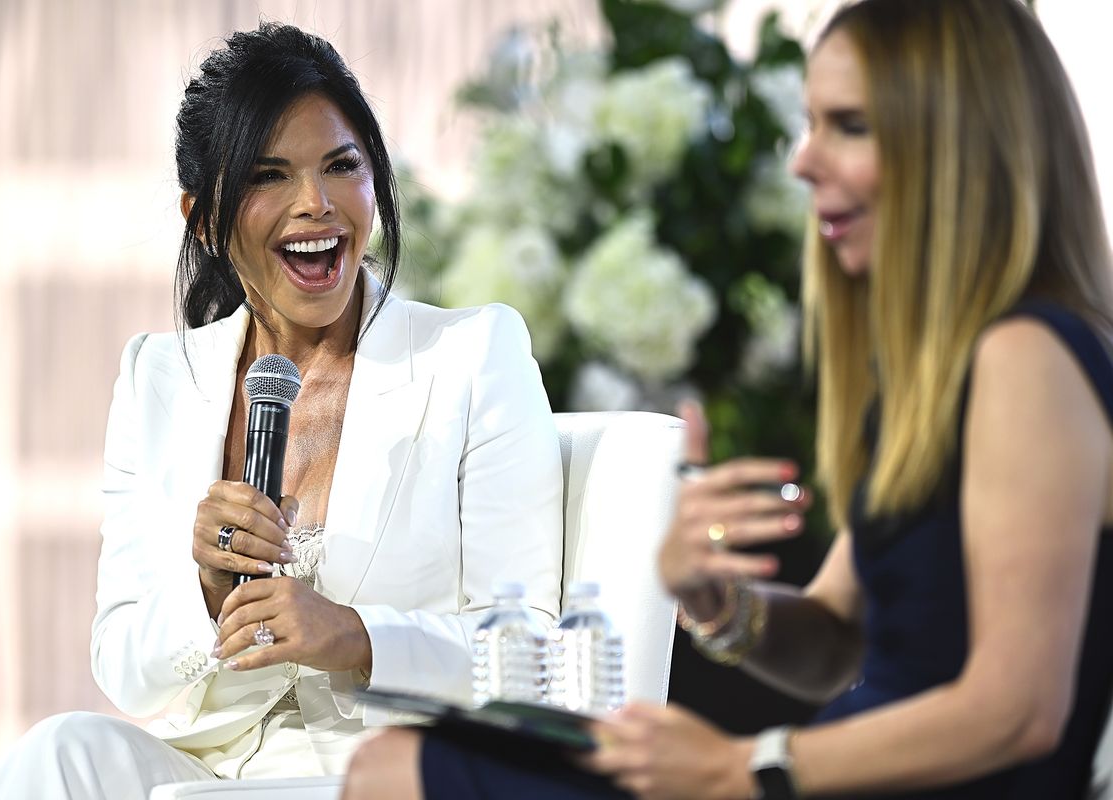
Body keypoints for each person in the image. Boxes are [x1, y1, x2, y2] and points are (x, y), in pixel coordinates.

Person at [340, 0, 1113, 797]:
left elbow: (1019, 711)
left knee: (401, 771)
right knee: (399, 763)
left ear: (959, 147)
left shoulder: (1028, 357)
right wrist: (723, 605)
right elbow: (837, 643)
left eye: (849, 126)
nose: (804, 161)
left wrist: (740, 766)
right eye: (810, 123)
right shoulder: (945, 375)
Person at [0, 22, 562, 799]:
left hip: (386, 774)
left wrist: (354, 635)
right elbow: (123, 665)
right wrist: (206, 594)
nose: (315, 204)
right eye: (269, 176)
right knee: (61, 752)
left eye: (342, 166)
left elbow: (533, 652)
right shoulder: (158, 376)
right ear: (203, 218)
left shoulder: (473, 356)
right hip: (208, 775)